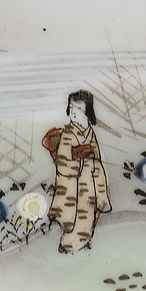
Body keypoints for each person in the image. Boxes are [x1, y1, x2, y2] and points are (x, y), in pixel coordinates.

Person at [43, 90, 111, 254]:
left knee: (89, 213)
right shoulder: (68, 133)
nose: (73, 112)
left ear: (87, 111)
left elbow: (97, 158)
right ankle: (69, 245)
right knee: (74, 216)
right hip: (74, 184)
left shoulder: (90, 132)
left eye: (78, 108)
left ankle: (83, 241)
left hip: (90, 182)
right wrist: (79, 161)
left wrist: (100, 182)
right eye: (71, 107)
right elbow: (63, 162)